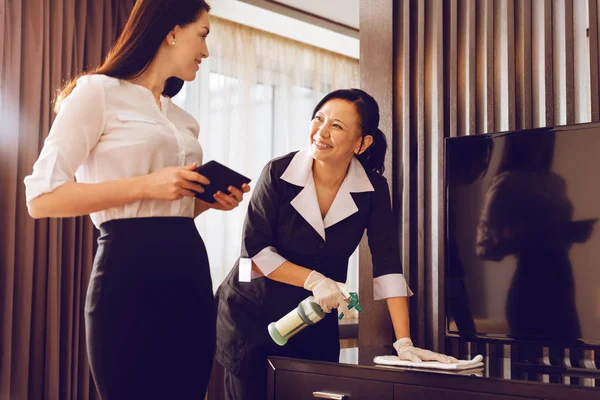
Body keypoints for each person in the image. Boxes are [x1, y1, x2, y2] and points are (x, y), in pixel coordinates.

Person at [24, 1, 250, 398]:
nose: (206, 51)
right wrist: (147, 185)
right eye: (203, 35)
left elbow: (168, 207)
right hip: (126, 273)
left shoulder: (183, 120)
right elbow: (41, 198)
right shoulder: (97, 92)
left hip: (188, 270)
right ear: (171, 31)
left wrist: (205, 201)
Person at [215, 88, 457, 399]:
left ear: (362, 142)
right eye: (319, 118)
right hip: (252, 317)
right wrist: (314, 279)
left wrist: (404, 343)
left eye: (337, 126)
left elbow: (387, 265)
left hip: (314, 320)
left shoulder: (372, 188)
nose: (322, 131)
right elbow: (256, 255)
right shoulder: (278, 172)